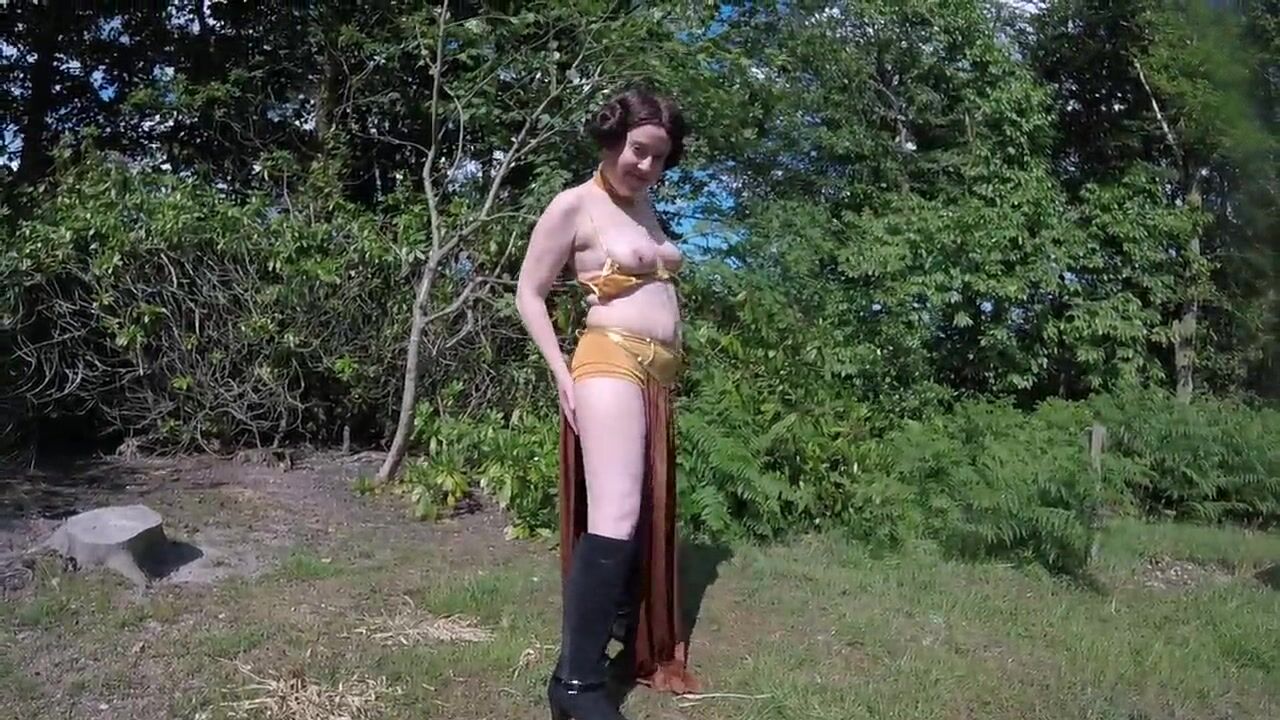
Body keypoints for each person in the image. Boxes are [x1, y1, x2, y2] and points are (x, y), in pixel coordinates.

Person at [515, 85, 700, 720]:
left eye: (658, 157)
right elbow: (529, 292)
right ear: (612, 138)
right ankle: (575, 685)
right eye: (637, 149)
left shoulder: (645, 209)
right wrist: (561, 375)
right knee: (615, 515)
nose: (645, 165)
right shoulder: (574, 205)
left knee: (639, 515)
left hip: (655, 375)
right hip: (608, 361)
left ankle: (621, 643)